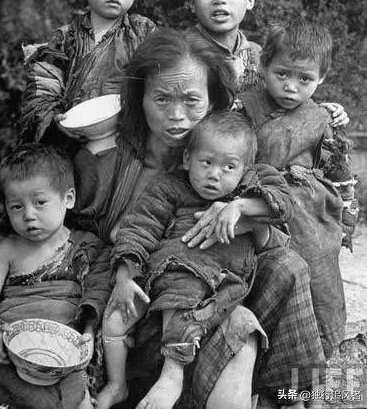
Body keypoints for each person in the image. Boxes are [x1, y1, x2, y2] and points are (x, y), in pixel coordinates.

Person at [72, 28, 326, 409]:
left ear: (212, 101)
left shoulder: (225, 149)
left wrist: (243, 214)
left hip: (223, 287)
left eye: (192, 100)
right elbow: (91, 244)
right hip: (151, 310)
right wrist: (94, 315)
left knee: (287, 266)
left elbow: (275, 225)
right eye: (162, 98)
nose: (177, 116)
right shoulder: (109, 159)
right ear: (140, 97)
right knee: (239, 326)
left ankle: (306, 395)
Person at [100, 111, 294, 409]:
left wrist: (241, 206)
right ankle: (117, 385)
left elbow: (285, 204)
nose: (215, 174)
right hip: (158, 280)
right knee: (115, 318)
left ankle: (172, 374)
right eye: (206, 162)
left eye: (229, 167)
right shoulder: (168, 188)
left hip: (216, 287)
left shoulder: (249, 188)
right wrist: (126, 275)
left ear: (244, 170)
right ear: (187, 158)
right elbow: (138, 229)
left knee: (184, 288)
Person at [234, 19, 357, 371]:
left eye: (304, 79)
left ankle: (316, 359)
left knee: (321, 277)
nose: (291, 86)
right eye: (282, 74)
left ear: (321, 78)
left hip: (312, 214)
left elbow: (340, 173)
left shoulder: (322, 118)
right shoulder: (245, 109)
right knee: (273, 281)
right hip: (260, 205)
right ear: (263, 66)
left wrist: (346, 220)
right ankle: (270, 366)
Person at [0, 144, 110, 409]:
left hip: (66, 356)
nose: (29, 215)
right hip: (15, 353)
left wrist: (87, 334)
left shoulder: (85, 247)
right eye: (16, 206)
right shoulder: (8, 249)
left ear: (68, 198)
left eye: (40, 202)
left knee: (78, 398)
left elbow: (96, 299)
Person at [19, 0, 156, 148]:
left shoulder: (143, 33)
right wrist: (53, 119)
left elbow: (163, 82)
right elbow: (42, 89)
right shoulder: (64, 39)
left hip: (128, 145)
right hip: (70, 144)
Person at [186, 0, 348, 126]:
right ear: (192, 3)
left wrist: (321, 112)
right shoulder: (181, 52)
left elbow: (282, 100)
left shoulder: (257, 55)